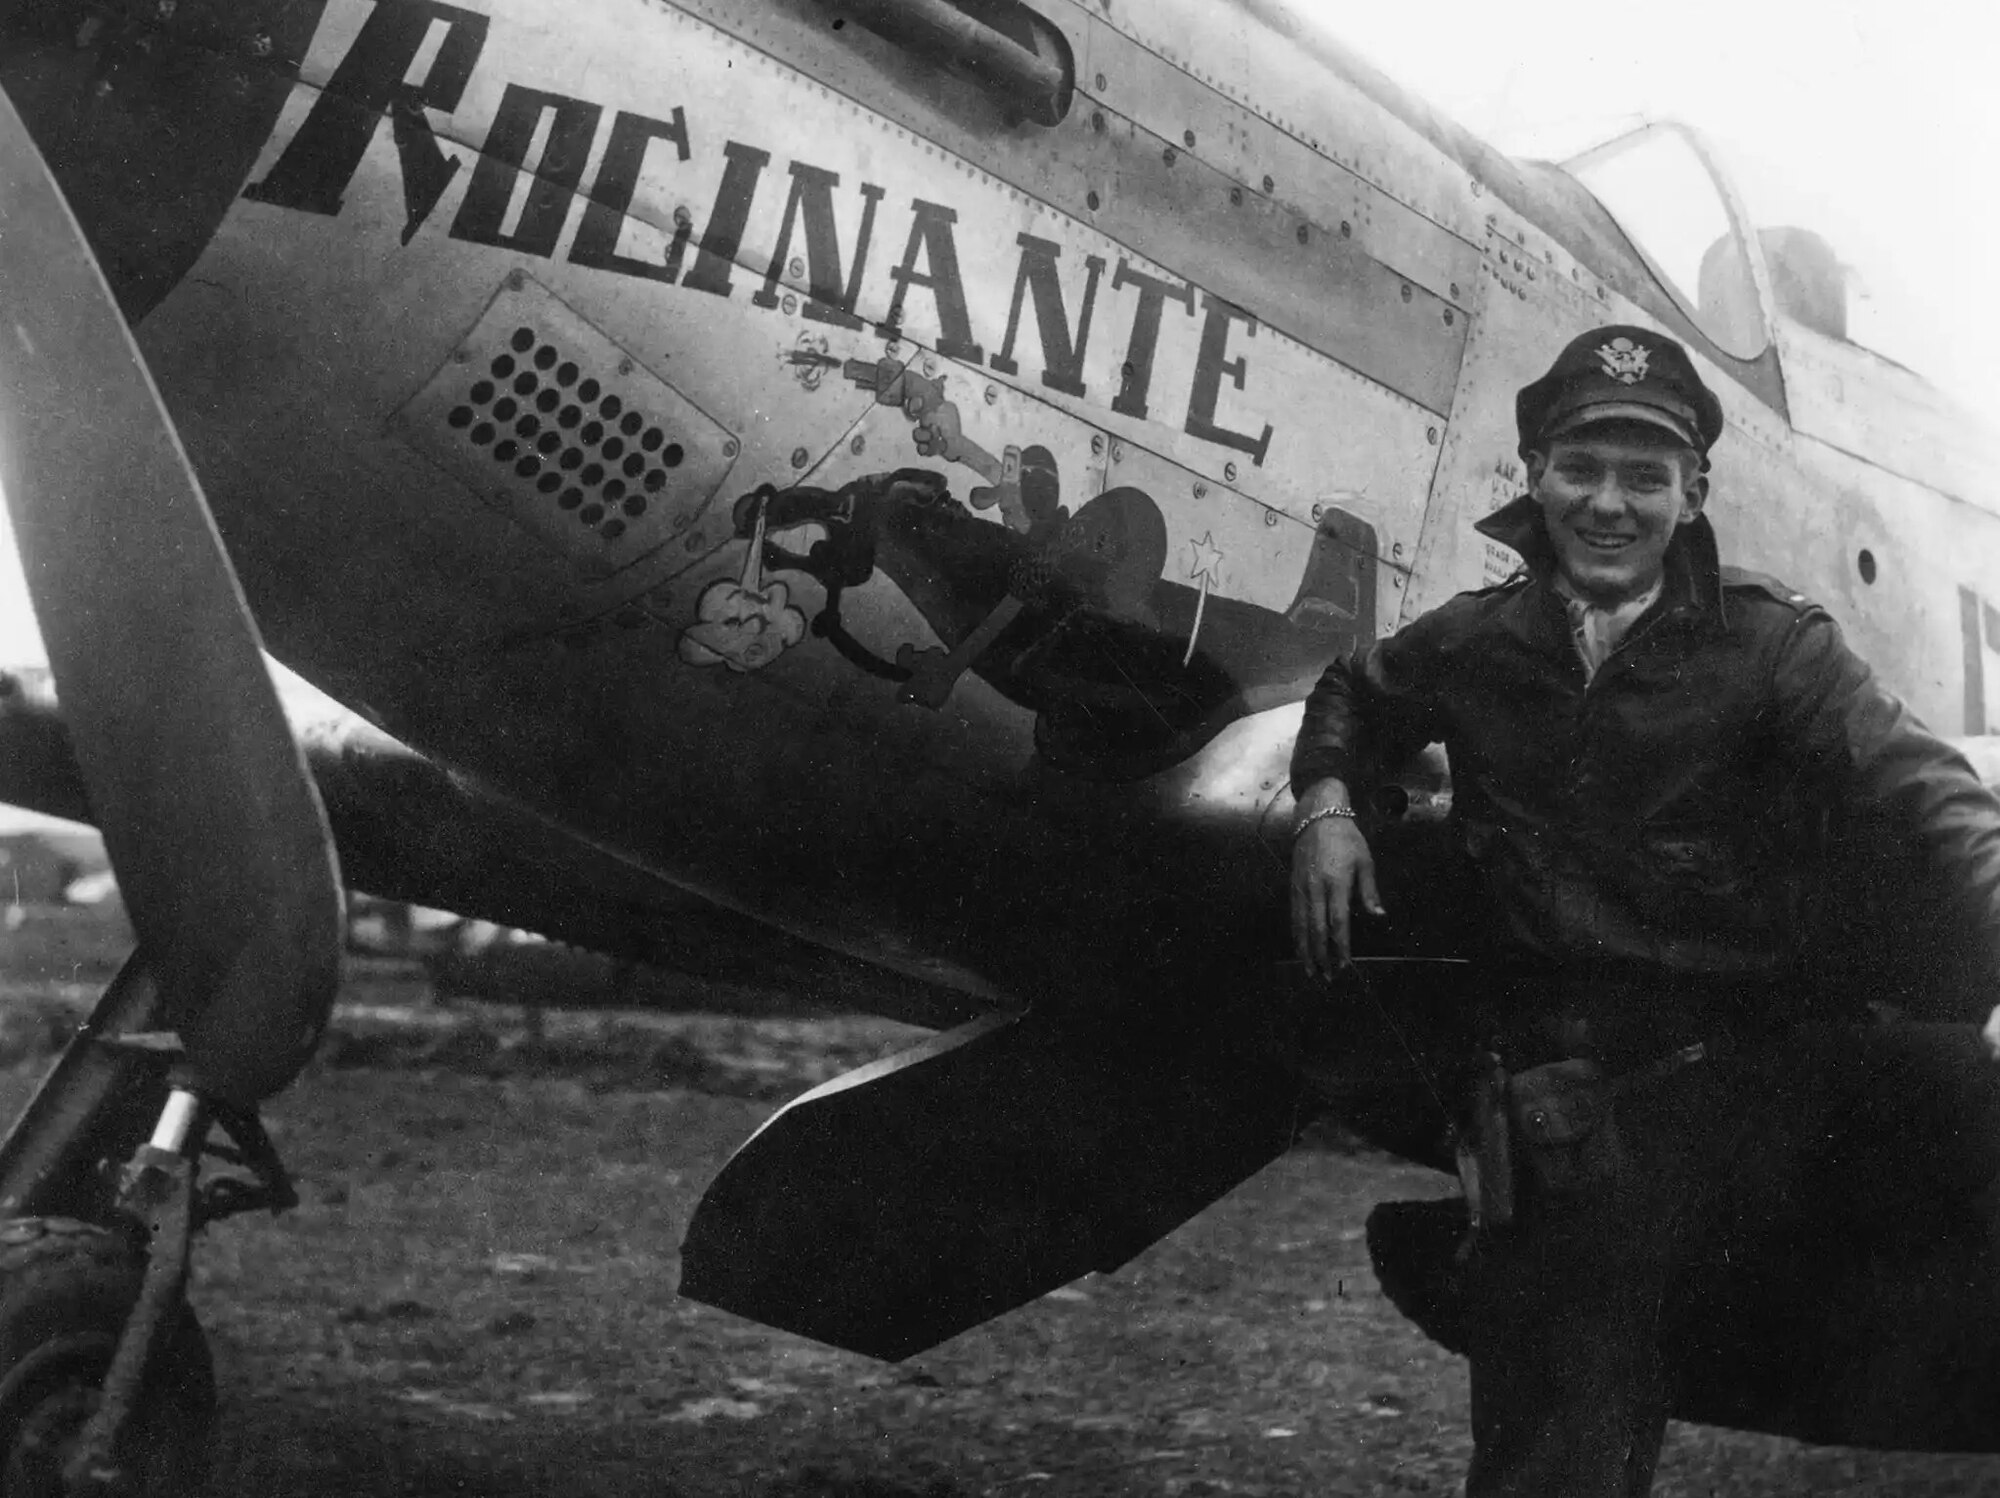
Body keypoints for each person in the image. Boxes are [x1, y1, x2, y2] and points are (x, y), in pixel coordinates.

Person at [1286, 325, 2000, 1495]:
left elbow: (1931, 798)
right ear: (1531, 474)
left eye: (1643, 477)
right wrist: (1325, 800)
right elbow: (1354, 696)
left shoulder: (1775, 650)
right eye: (1579, 470)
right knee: (1546, 1443)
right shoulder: (1471, 641)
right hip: (1544, 1101)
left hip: (1731, 1093)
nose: (1606, 506)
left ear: (1693, 492)